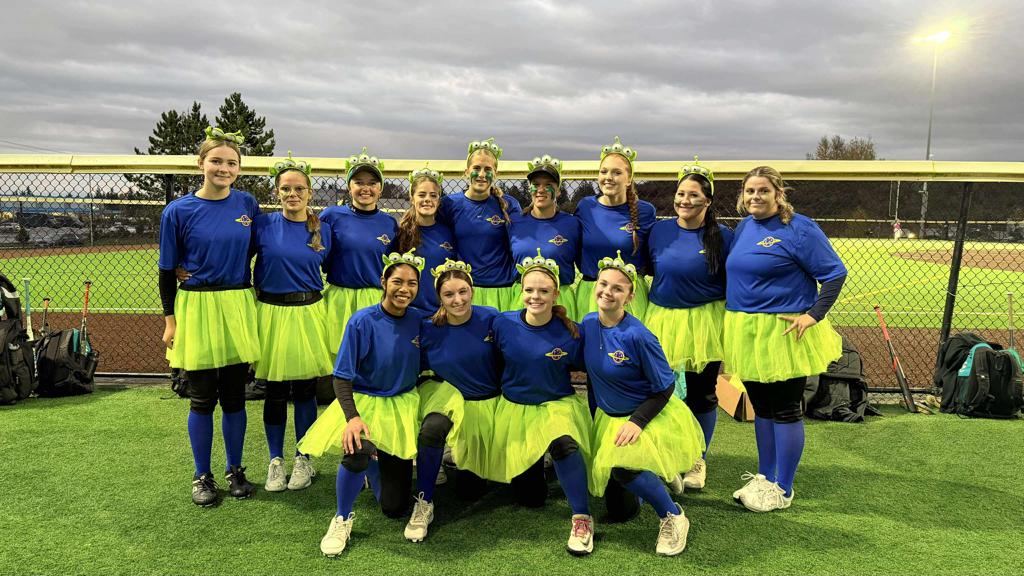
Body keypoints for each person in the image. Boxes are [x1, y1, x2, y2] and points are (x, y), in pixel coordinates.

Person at [725, 166, 847, 513]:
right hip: (746, 331)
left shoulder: (799, 228)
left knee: (785, 409)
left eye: (763, 190)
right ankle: (765, 478)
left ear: (779, 193)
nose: (755, 197)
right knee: (762, 408)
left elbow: (835, 273)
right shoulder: (744, 227)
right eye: (750, 191)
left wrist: (814, 315)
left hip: (783, 330)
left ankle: (784, 488)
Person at [298, 251, 426, 556]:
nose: (404, 289)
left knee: (394, 508)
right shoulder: (362, 321)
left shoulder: (419, 320)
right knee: (356, 449)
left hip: (402, 404)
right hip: (366, 402)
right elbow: (342, 377)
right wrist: (352, 418)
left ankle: (375, 469)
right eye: (397, 281)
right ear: (383, 282)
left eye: (411, 283)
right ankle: (341, 517)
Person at [158, 126, 260, 506]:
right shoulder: (178, 211)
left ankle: (236, 470)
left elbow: (255, 249)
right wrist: (170, 320)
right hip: (197, 307)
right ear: (201, 163)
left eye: (231, 163)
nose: (224, 168)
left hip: (236, 304)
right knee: (201, 398)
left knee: (235, 398)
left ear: (239, 168)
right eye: (216, 161)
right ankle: (202, 475)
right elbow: (166, 271)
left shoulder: (247, 204)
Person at [583, 252, 705, 556]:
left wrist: (637, 422)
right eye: (603, 284)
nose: (607, 292)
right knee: (620, 512)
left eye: (618, 288)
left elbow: (665, 388)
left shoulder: (639, 336)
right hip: (609, 417)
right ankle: (656, 472)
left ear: (630, 296)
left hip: (645, 415)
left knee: (624, 472)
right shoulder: (588, 324)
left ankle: (673, 515)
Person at [491, 250, 594, 556]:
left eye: (544, 291)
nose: (535, 297)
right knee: (531, 498)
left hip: (556, 405)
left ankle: (582, 517)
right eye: (529, 290)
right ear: (521, 291)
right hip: (516, 410)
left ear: (556, 294)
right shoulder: (503, 324)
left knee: (563, 443)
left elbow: (594, 368)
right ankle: (543, 465)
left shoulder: (571, 332)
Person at [645, 157, 733, 490]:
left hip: (704, 323)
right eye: (681, 193)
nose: (685, 200)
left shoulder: (723, 237)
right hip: (662, 320)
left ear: (708, 201)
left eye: (694, 195)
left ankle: (697, 459)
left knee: (701, 394)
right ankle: (666, 456)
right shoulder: (659, 231)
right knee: (661, 393)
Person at [405, 259, 504, 542]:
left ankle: (453, 457)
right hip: (448, 399)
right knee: (432, 429)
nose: (457, 300)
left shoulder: (492, 319)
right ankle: (424, 500)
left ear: (472, 290)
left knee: (470, 491)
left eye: (463, 291)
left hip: (486, 404)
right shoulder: (428, 328)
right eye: (448, 294)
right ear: (439, 297)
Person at [252, 153, 332, 492]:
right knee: (273, 390)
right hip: (271, 312)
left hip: (309, 312)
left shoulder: (323, 228)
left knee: (304, 390)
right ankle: (275, 460)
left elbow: (338, 266)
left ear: (310, 192)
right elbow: (234, 255)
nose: (293, 194)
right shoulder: (262, 225)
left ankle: (303, 457)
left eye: (299, 188)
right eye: (286, 188)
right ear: (277, 192)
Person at [320, 147, 398, 353]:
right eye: (359, 182)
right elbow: (320, 255)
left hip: (375, 299)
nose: (366, 188)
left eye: (372, 183)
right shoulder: (331, 216)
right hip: (340, 297)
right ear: (349, 187)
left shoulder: (389, 223)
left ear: (380, 189)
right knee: (337, 354)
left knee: (372, 354)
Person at [575, 137, 656, 321]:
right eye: (604, 171)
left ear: (629, 179)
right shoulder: (586, 207)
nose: (608, 177)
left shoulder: (645, 211)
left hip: (628, 296)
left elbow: (651, 256)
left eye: (617, 172)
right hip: (591, 293)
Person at [437, 138, 522, 311]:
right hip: (466, 292)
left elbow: (519, 246)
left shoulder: (508, 204)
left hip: (502, 290)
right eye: (476, 168)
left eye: (488, 169)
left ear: (495, 173)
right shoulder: (449, 204)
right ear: (466, 171)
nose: (482, 174)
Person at [509, 155, 581, 319]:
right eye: (536, 185)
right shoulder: (514, 222)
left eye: (548, 185)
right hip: (524, 298)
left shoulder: (572, 224)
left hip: (560, 298)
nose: (541, 190)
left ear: (558, 191)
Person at [397, 165, 456, 314]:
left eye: (433, 195)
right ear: (412, 198)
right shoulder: (401, 233)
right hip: (407, 312)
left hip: (441, 313)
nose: (427, 200)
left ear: (439, 200)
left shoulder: (449, 233)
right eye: (422, 195)